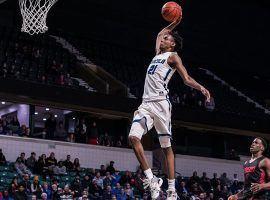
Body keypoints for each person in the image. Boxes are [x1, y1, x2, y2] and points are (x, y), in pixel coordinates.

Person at [128, 16, 210, 200]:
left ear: (172, 45)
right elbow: (160, 32)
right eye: (164, 38)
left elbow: (187, 79)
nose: (163, 39)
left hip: (162, 105)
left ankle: (172, 190)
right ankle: (151, 179)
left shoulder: (173, 57)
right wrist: (176, 22)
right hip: (146, 105)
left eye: (167, 39)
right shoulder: (157, 54)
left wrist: (201, 88)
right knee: (133, 137)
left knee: (166, 148)